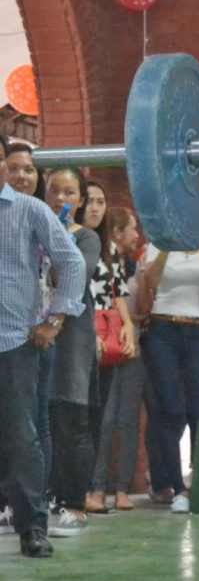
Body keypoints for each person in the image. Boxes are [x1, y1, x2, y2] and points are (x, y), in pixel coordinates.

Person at [1, 147, 86, 557]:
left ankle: (32, 526)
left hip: (14, 340)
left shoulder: (29, 209)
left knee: (22, 436)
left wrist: (55, 320)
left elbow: (71, 262)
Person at [141, 224, 199, 512]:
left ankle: (198, 485)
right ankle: (177, 488)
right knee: (169, 409)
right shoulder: (159, 240)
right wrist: (168, 243)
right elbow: (151, 281)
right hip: (162, 330)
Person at [44, 168, 102, 536]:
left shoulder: (87, 237)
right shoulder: (29, 230)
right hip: (34, 333)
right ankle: (41, 497)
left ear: (80, 200)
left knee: (71, 419)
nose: (61, 199)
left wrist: (57, 242)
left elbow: (71, 279)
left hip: (72, 336)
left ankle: (75, 504)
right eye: (54, 191)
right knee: (39, 420)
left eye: (69, 192)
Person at [79, 181, 136, 513]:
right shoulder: (68, 238)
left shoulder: (108, 246)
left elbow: (116, 292)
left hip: (108, 328)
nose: (95, 207)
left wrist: (127, 323)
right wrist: (88, 332)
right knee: (78, 415)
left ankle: (89, 488)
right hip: (79, 330)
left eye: (101, 201)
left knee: (99, 415)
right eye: (89, 201)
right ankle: (77, 488)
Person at [89, 206, 144, 511]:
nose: (137, 235)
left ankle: (122, 489)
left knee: (127, 418)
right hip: (96, 337)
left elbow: (118, 294)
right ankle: (96, 487)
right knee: (103, 418)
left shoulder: (122, 260)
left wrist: (129, 326)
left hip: (121, 338)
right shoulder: (86, 245)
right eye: (131, 228)